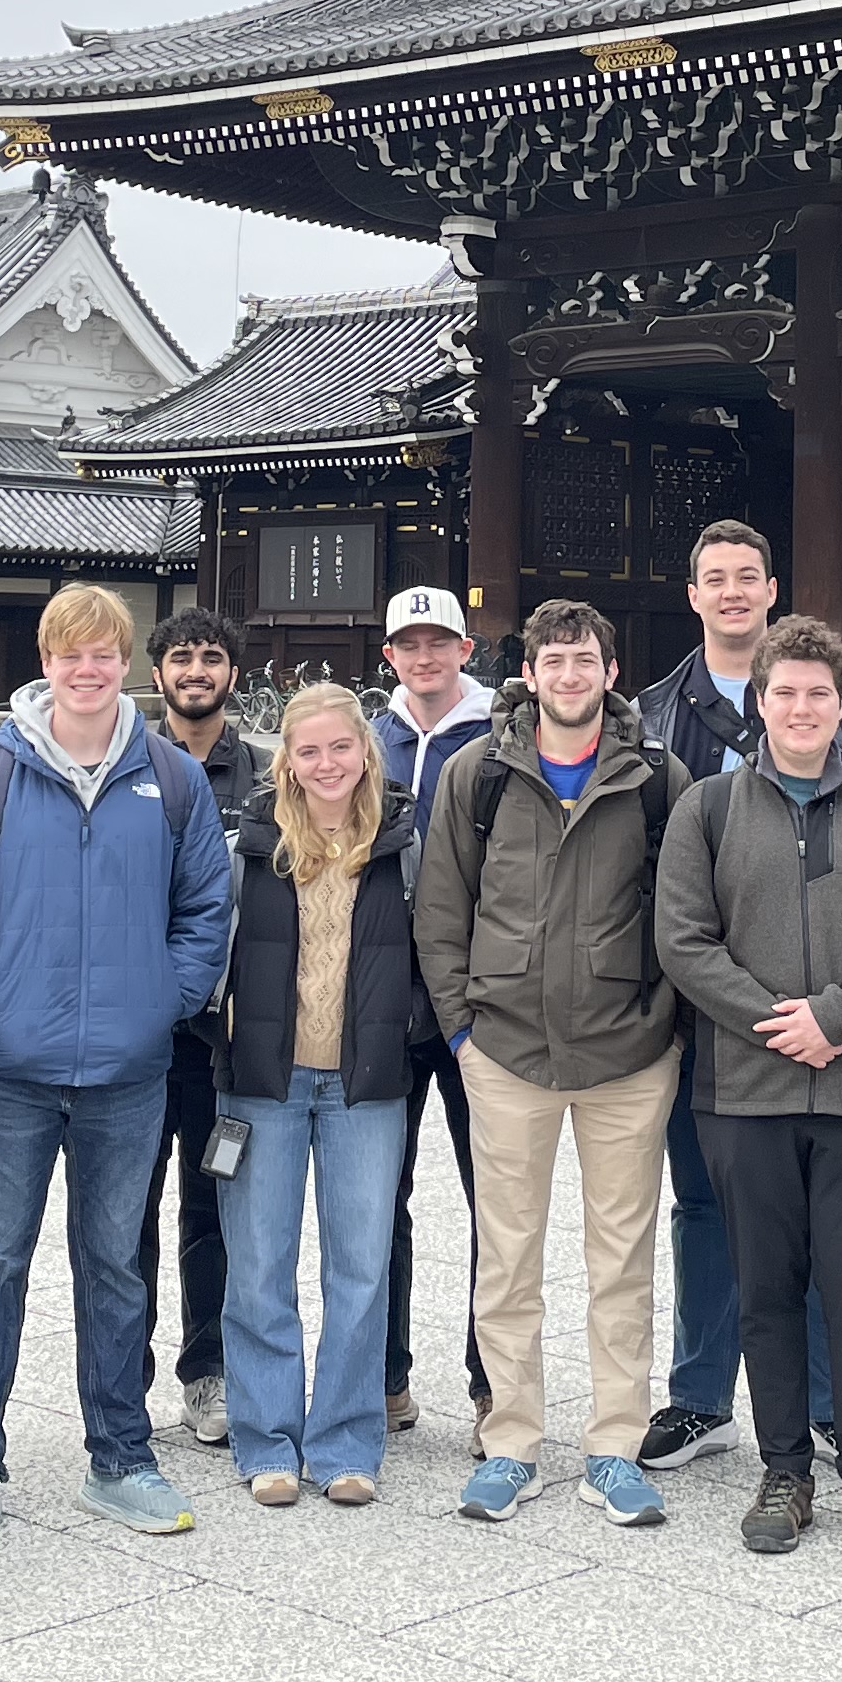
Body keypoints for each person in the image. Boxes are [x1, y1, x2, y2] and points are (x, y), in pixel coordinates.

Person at [0, 587, 234, 1551]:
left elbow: (205, 915)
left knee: (113, 1266)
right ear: (45, 661)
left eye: (105, 654)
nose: (88, 670)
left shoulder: (170, 780)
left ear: (129, 665)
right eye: (71, 655)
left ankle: (121, 1454)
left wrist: (158, 1003)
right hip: (11, 1068)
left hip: (128, 1072)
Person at [654, 616, 842, 1563]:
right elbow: (684, 940)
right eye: (786, 692)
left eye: (821, 693)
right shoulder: (708, 809)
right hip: (744, 1090)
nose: (804, 708)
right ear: (761, 703)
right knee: (764, 1287)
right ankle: (786, 1469)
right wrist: (777, 1019)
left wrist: (837, 1016)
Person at [414, 599, 680, 1529]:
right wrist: (461, 1031)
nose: (569, 676)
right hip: (507, 1047)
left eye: (585, 660)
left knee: (621, 1256)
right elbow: (441, 906)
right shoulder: (476, 773)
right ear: (527, 674)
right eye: (552, 661)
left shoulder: (658, 778)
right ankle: (512, 1438)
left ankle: (614, 1443)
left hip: (627, 1052)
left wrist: (664, 1021)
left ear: (613, 671)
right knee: (508, 1252)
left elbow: (685, 916)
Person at [632, 523, 842, 1473]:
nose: (732, 593)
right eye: (714, 580)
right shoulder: (656, 711)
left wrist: (833, 1007)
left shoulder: (836, 707)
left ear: (773, 589)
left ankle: (820, 1400)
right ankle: (701, 1395)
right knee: (705, 1205)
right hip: (703, 1004)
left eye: (748, 578)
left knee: (816, 1209)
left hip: (824, 1009)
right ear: (691, 594)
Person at [212, 682, 421, 1507]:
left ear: (365, 752)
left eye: (342, 747)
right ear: (285, 762)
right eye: (309, 751)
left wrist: (410, 1027)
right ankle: (266, 1439)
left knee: (361, 1268)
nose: (327, 764)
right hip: (264, 1078)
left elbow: (438, 943)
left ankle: (344, 1442)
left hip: (366, 1081)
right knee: (260, 1264)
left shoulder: (404, 839)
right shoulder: (250, 841)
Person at [367, 584, 491, 1437]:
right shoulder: (367, 739)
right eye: (409, 644)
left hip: (479, 995)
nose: (424, 656)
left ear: (465, 648)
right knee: (380, 1193)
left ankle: (492, 1381)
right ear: (390, 657)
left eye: (438, 641)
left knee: (498, 1198)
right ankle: (386, 1375)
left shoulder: (498, 734)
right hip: (383, 995)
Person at [141, 605, 263, 1453]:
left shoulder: (263, 774)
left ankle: (207, 1369)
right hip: (134, 1029)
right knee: (122, 1208)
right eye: (181, 657)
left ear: (231, 674)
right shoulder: (127, 766)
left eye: (210, 658)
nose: (196, 670)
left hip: (223, 1030)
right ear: (157, 675)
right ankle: (117, 1376)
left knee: (211, 1205)